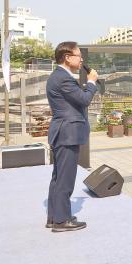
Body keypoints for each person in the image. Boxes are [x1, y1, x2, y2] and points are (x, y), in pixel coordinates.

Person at [47, 42, 98, 232]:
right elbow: (84, 100)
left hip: (62, 132)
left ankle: (54, 217)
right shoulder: (63, 78)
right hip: (68, 133)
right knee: (65, 179)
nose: (81, 59)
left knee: (58, 177)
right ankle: (61, 221)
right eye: (78, 56)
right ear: (67, 57)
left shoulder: (59, 76)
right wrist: (91, 82)